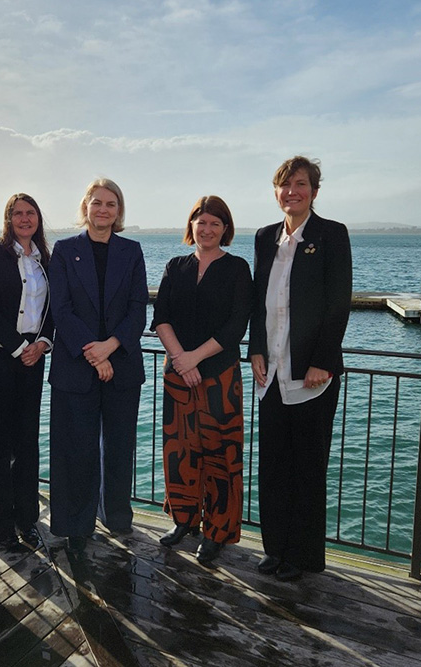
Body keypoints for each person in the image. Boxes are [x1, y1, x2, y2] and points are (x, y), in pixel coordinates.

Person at [250, 156, 352, 581]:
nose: (293, 191)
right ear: (276, 192)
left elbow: (338, 303)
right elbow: (259, 301)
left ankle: (304, 556)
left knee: (307, 468)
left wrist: (322, 363)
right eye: (285, 185)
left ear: (314, 190)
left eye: (301, 184)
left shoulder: (331, 235)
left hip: (312, 375)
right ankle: (275, 549)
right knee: (272, 465)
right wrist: (255, 349)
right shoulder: (264, 237)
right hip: (270, 371)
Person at [48, 178, 147, 554]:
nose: (103, 210)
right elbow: (61, 309)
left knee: (120, 448)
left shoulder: (132, 251)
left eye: (111, 204)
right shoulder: (64, 250)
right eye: (97, 203)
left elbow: (138, 308)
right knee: (76, 449)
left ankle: (117, 517)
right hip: (76, 367)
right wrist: (93, 352)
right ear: (85, 207)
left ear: (119, 211)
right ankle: (75, 525)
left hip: (121, 363)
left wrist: (110, 347)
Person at [152, 196, 252, 566]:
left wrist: (194, 357)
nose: (207, 229)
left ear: (225, 229)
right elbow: (161, 317)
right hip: (177, 375)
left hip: (220, 376)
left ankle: (217, 532)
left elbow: (236, 325)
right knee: (180, 452)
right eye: (201, 222)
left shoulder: (238, 269)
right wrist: (181, 358)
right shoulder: (175, 266)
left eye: (215, 223)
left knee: (220, 456)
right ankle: (183, 521)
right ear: (190, 225)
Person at [0, 193, 53, 551]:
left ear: (38, 218)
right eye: (17, 213)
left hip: (34, 359)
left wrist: (43, 343)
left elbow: (53, 309)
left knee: (26, 441)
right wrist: (19, 347)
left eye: (30, 213)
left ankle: (27, 519)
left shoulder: (45, 258)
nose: (24, 219)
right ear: (8, 219)